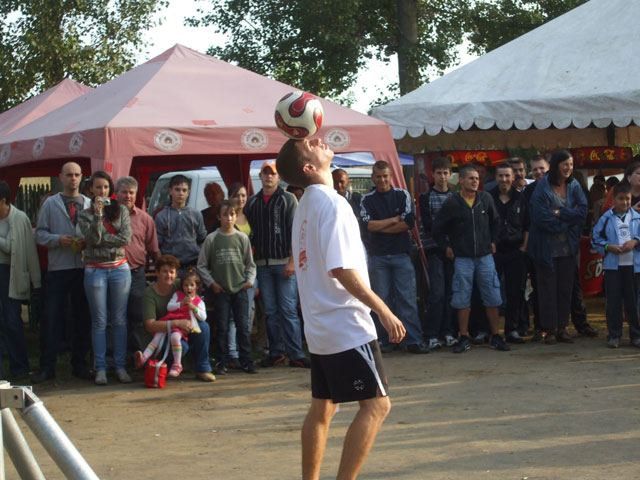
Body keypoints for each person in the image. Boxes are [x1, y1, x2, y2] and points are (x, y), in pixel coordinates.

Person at [275, 137, 406, 480]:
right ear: (309, 167)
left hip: (320, 325)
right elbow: (341, 269)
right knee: (377, 406)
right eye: (311, 143)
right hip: (345, 324)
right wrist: (383, 310)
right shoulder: (332, 204)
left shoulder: (304, 205)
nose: (319, 140)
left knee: (322, 409)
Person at [433, 163, 510, 353]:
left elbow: (497, 222)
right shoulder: (452, 202)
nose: (475, 181)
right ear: (461, 180)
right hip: (462, 258)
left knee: (492, 296)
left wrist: (494, 241)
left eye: (477, 178)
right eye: (471, 178)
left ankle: (495, 335)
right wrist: (445, 247)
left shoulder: (485, 198)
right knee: (462, 298)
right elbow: (437, 228)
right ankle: (463, 336)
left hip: (485, 257)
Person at [32, 162, 93, 384]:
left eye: (76, 175)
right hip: (57, 269)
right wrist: (57, 240)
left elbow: (98, 233)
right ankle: (47, 367)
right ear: (60, 177)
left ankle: (80, 364)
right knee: (51, 318)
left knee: (82, 318)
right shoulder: (51, 203)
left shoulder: (89, 204)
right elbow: (39, 234)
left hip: (82, 268)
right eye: (69, 175)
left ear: (82, 177)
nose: (73, 179)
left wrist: (87, 242)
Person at [245, 161, 309, 368]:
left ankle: (296, 353)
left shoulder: (288, 199)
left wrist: (292, 261)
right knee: (271, 311)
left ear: (279, 177)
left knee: (288, 310)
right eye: (265, 173)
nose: (268, 177)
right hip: (262, 264)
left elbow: (296, 231)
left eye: (272, 173)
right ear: (260, 176)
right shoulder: (252, 203)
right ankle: (276, 352)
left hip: (284, 263)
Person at [360, 161, 429, 354]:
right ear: (373, 178)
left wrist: (380, 226)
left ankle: (413, 340)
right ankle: (386, 340)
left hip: (401, 255)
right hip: (378, 257)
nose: (382, 180)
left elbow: (408, 223)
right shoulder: (367, 199)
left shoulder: (402, 195)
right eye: (378, 176)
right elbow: (367, 226)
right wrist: (393, 220)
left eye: (385, 176)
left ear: (390, 176)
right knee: (381, 302)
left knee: (407, 299)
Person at [527, 150, 588, 344]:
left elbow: (583, 211)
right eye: (565, 164)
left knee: (565, 289)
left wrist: (559, 213)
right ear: (556, 165)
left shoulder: (574, 185)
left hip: (568, 248)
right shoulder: (543, 186)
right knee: (547, 290)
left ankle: (563, 328)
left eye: (571, 164)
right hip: (545, 248)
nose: (568, 168)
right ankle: (550, 329)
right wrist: (567, 220)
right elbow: (540, 217)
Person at [78, 171, 132, 385]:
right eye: (98, 187)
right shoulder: (85, 214)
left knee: (119, 320)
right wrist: (99, 216)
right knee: (99, 321)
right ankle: (100, 368)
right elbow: (92, 239)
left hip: (120, 268)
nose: (102, 191)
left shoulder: (122, 210)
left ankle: (120, 366)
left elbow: (125, 238)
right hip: (95, 270)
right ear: (91, 190)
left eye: (106, 187)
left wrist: (102, 240)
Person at [198, 200, 257, 374]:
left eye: (232, 215)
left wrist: (249, 281)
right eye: (225, 215)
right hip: (221, 290)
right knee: (222, 327)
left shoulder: (242, 238)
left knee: (243, 327)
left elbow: (251, 264)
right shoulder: (212, 239)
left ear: (236, 216)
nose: (229, 218)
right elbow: (201, 265)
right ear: (219, 217)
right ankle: (222, 361)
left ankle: (247, 361)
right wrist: (212, 283)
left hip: (240, 289)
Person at [142, 254, 215, 382]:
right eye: (164, 271)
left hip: (184, 327)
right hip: (163, 334)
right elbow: (150, 325)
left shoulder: (180, 284)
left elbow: (195, 295)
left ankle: (203, 368)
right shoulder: (149, 293)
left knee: (203, 327)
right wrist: (177, 323)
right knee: (182, 346)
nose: (168, 275)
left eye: (172, 272)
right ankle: (165, 366)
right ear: (157, 272)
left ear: (176, 274)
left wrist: (194, 309)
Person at [115, 176, 160, 355]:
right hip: (112, 272)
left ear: (136, 194)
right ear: (116, 194)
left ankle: (137, 354)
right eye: (124, 192)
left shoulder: (145, 219)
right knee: (114, 316)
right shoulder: (108, 217)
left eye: (131, 192)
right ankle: (115, 356)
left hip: (136, 274)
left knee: (137, 315)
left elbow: (153, 249)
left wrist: (161, 272)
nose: (128, 196)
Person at [591, 182, 640, 348]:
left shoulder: (637, 217)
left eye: (627, 199)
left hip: (634, 267)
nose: (624, 202)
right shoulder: (606, 218)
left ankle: (635, 334)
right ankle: (614, 335)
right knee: (614, 302)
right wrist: (608, 247)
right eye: (621, 199)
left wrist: (635, 241)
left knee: (633, 302)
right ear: (613, 199)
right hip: (613, 267)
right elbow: (595, 239)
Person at [0, 181, 40, 379]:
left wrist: (36, 281)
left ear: (3, 201)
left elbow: (28, 251)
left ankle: (20, 367)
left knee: (12, 320)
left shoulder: (20, 218)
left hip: (11, 274)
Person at [135, 267, 206, 377]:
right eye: (186, 285)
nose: (189, 288)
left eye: (192, 285)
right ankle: (143, 358)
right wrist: (180, 304)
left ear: (197, 286)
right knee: (156, 339)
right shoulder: (178, 294)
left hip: (182, 325)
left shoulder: (198, 301)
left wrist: (194, 308)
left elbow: (203, 317)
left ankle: (177, 365)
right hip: (170, 320)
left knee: (175, 337)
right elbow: (169, 307)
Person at [418, 157, 457, 349]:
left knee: (451, 293)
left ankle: (448, 332)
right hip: (434, 250)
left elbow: (458, 223)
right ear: (432, 174)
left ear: (450, 175)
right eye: (439, 173)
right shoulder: (425, 197)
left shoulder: (455, 197)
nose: (442, 177)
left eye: (445, 173)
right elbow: (429, 225)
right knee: (437, 294)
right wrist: (444, 244)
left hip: (454, 251)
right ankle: (431, 334)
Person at [489, 163, 529, 344]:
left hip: (515, 250)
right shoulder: (488, 197)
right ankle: (491, 330)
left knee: (515, 292)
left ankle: (512, 329)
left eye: (507, 176)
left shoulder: (521, 198)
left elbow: (527, 225)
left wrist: (524, 247)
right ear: (496, 178)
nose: (504, 179)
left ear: (513, 178)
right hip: (494, 252)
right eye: (501, 176)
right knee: (490, 292)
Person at [226, 182, 259, 369]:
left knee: (247, 313)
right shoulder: (226, 219)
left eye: (244, 195)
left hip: (249, 271)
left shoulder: (250, 217)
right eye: (237, 195)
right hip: (232, 273)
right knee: (233, 315)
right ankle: (232, 352)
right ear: (230, 197)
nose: (240, 199)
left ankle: (243, 351)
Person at [155, 174, 207, 269]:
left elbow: (202, 240)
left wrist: (202, 263)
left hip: (193, 264)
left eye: (184, 190)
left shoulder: (196, 214)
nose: (181, 193)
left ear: (188, 192)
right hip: (170, 266)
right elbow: (157, 245)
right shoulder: (161, 216)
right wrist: (161, 266)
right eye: (177, 189)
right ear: (170, 191)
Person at [332, 168, 369, 249]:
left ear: (348, 182)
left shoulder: (359, 200)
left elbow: (366, 225)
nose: (339, 185)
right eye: (335, 182)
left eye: (342, 182)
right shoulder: (327, 202)